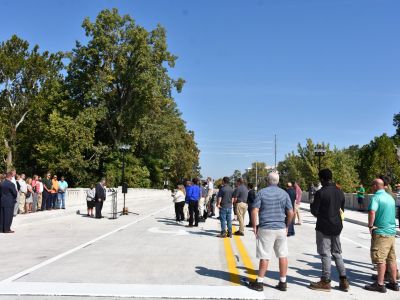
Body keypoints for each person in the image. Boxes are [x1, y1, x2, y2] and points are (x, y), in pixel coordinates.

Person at [248, 172, 294, 292]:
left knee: (264, 256)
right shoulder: (284, 193)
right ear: (278, 181)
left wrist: (254, 226)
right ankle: (283, 282)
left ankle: (260, 282)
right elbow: (290, 213)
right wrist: (286, 225)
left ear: (267, 181)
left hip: (266, 228)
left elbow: (254, 211)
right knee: (282, 255)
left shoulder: (262, 192)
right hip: (280, 228)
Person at [310, 169, 349, 292]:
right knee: (337, 253)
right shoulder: (340, 192)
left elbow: (315, 211)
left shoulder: (320, 193)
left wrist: (312, 205)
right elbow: (341, 210)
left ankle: (325, 281)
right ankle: (343, 280)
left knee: (325, 253)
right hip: (337, 226)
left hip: (324, 226)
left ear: (321, 179)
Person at [364, 179, 399, 293]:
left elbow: (372, 211)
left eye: (372, 185)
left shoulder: (376, 197)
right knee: (391, 258)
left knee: (380, 259)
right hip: (391, 232)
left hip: (381, 231)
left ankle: (380, 284)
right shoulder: (390, 197)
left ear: (375, 186)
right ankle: (393, 283)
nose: (371, 187)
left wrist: (370, 226)